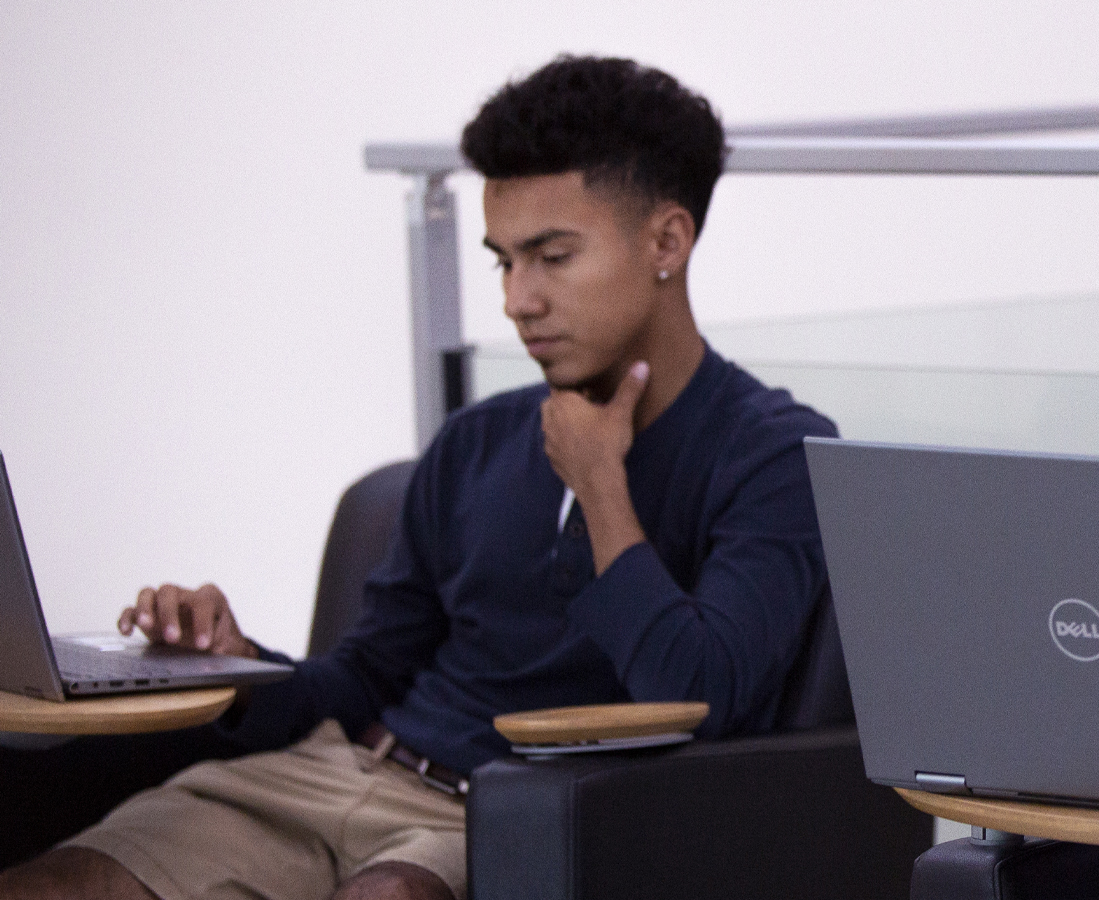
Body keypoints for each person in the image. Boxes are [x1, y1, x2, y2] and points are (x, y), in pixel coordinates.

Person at [0, 55, 838, 900]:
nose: (518, 299)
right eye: (503, 261)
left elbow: (705, 693)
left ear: (667, 241)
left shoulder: (772, 455)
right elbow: (364, 674)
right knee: (56, 883)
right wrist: (236, 665)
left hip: (507, 815)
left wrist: (600, 489)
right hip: (331, 773)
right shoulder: (474, 441)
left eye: (552, 256)